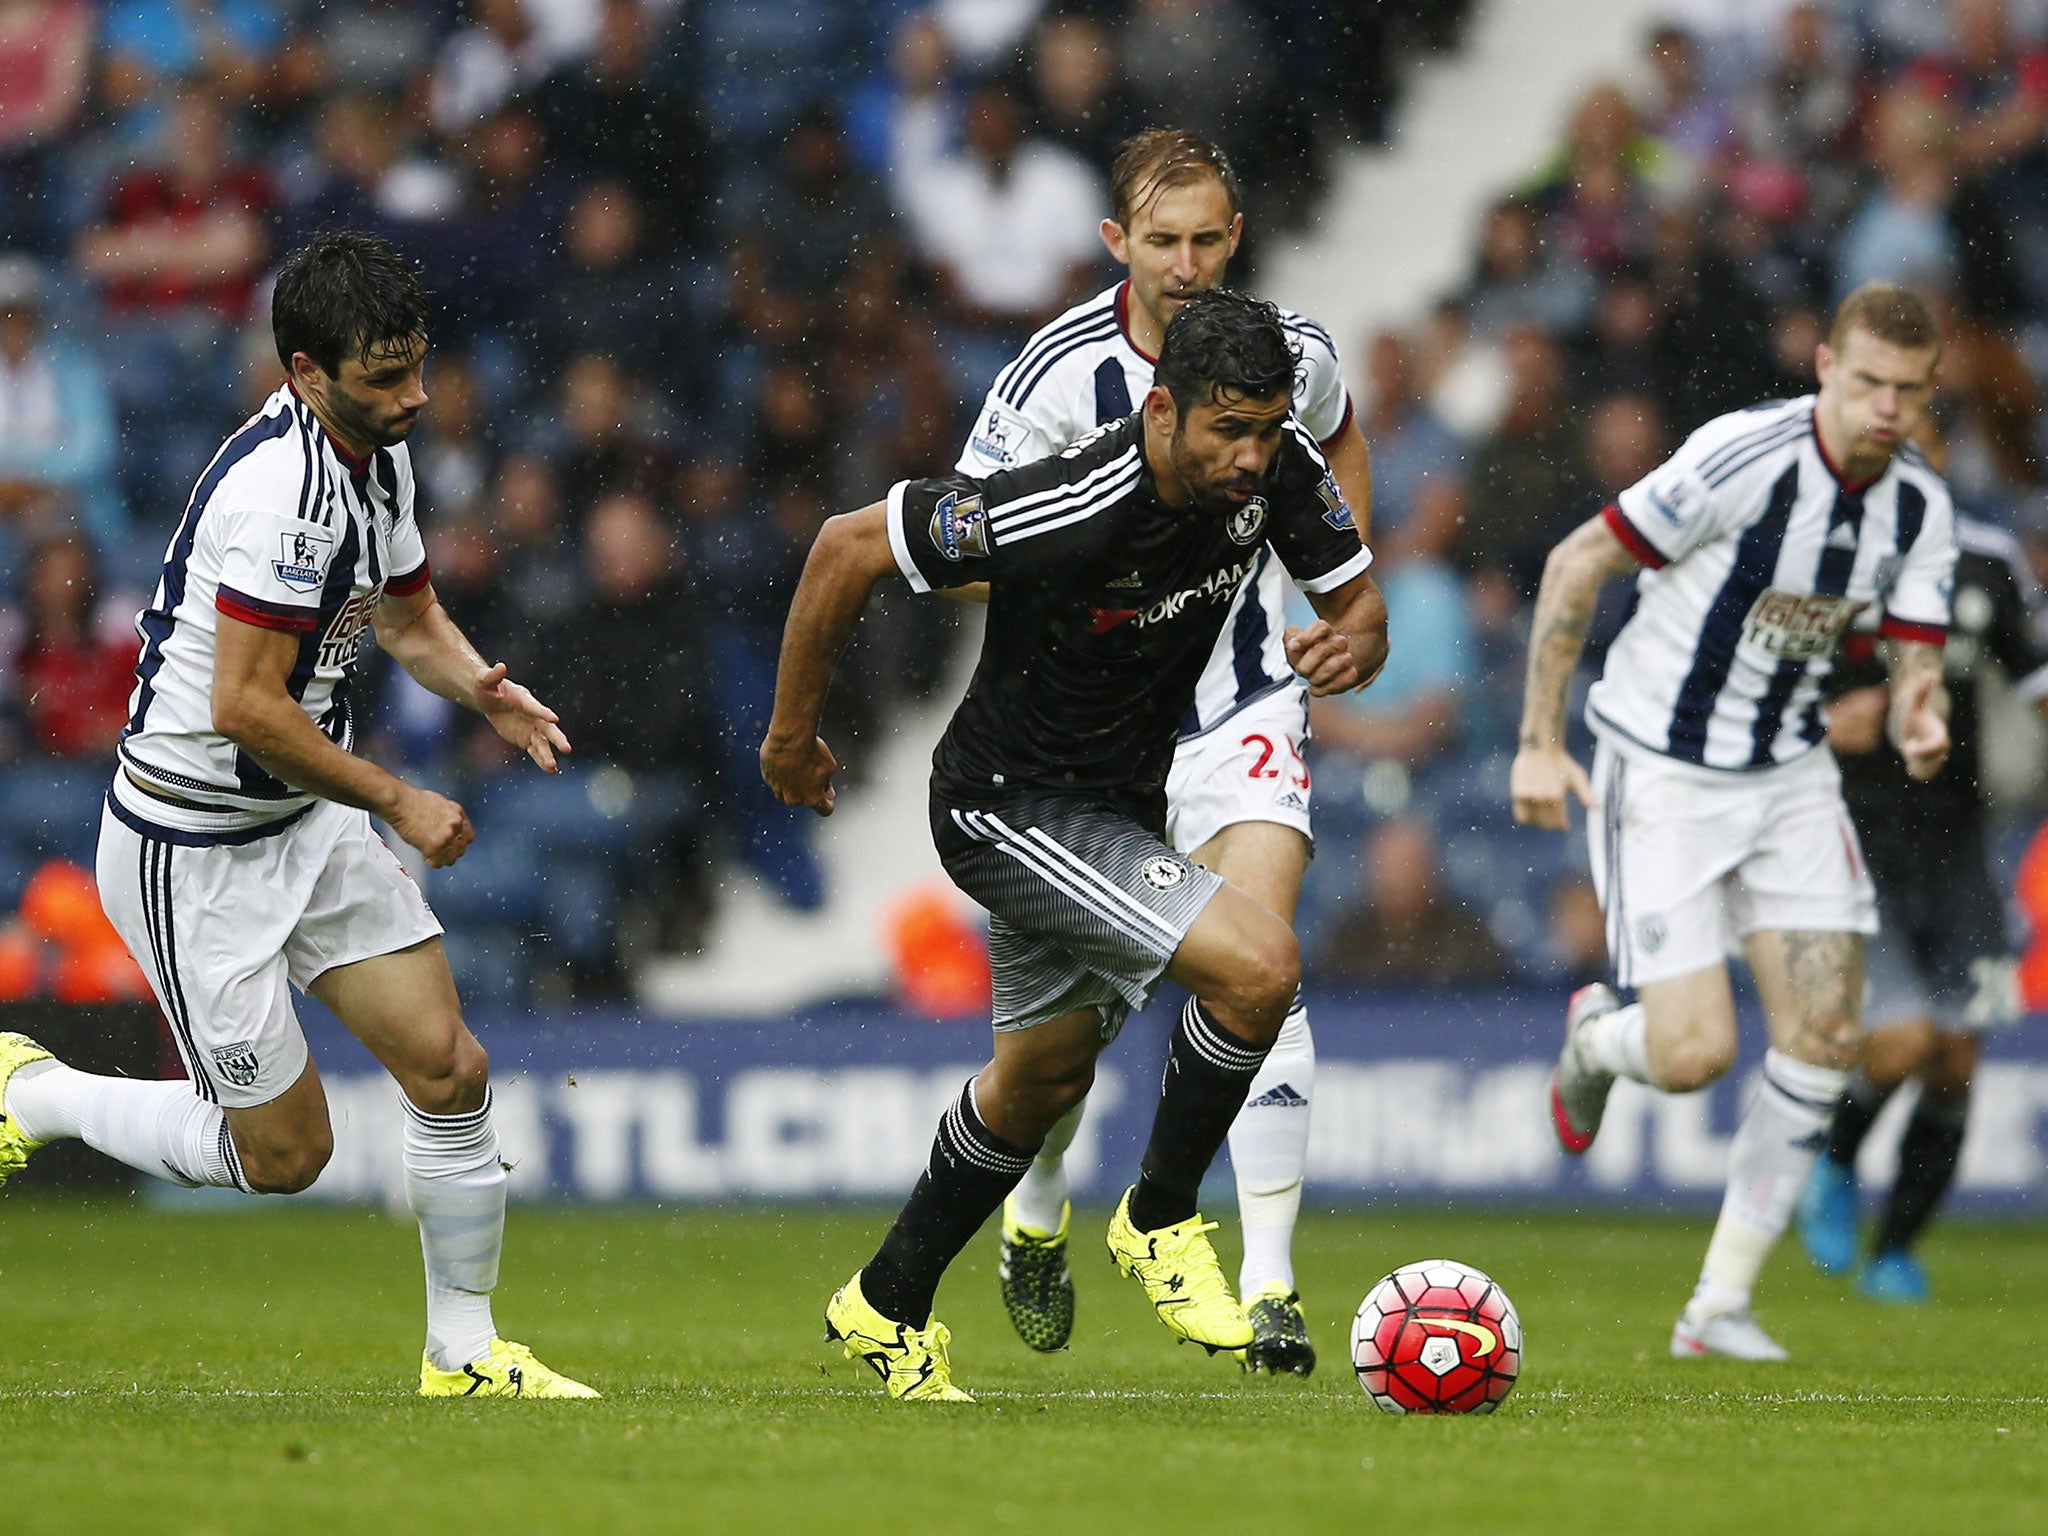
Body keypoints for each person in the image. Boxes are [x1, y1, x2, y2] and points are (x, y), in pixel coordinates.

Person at [0, 232, 595, 1400]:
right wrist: (400, 799)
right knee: (286, 1157)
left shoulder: (375, 456)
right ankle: (33, 1094)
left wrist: (482, 687)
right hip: (195, 847)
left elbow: (409, 619)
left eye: (418, 367)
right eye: (386, 379)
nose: (415, 397)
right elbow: (244, 710)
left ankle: (464, 1355)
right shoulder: (283, 498)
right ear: (305, 372)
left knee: (447, 1063)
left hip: (301, 821)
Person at [761, 289, 1386, 1401]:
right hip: (1007, 808)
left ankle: (883, 1302)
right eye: (1225, 431)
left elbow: (1359, 606)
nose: (1250, 457)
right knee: (1261, 967)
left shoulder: (1277, 465)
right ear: (1161, 411)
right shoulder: (1069, 502)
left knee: (1039, 1079)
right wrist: (790, 741)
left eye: (1263, 429)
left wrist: (1349, 646)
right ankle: (1156, 1217)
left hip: (1111, 808)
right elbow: (841, 546)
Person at [953, 128, 1373, 1375]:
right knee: (1058, 1053)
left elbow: (1334, 443)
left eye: (1206, 240)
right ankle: (1033, 1213)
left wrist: (1342, 577)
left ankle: (1272, 1284)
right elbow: (968, 550)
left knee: (1266, 970)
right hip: (1083, 740)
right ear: (1115, 244)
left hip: (1241, 705)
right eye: (1162, 241)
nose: (1186, 265)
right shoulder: (1048, 376)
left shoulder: (1288, 358)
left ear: (1234, 237)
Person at [1511, 282, 1957, 1361]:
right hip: (1657, 771)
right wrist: (1536, 739)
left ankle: (1714, 1308)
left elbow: (1912, 645)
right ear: (1825, 369)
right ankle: (1597, 1038)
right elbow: (1577, 563)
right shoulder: (1741, 459)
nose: (1883, 409)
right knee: (1695, 1052)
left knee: (1823, 1036)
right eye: (1865, 384)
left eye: (1904, 391)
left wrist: (1915, 710)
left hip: (1787, 776)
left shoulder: (1917, 508)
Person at [1798, 507, 2048, 1302]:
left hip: (1959, 844)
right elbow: (1748, 690)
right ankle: (1835, 1160)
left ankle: (1895, 1252)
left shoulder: (1988, 559)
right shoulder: (1815, 553)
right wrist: (1822, 723)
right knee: (1904, 1040)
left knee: (1957, 1060)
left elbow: (2035, 677)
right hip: (1855, 842)